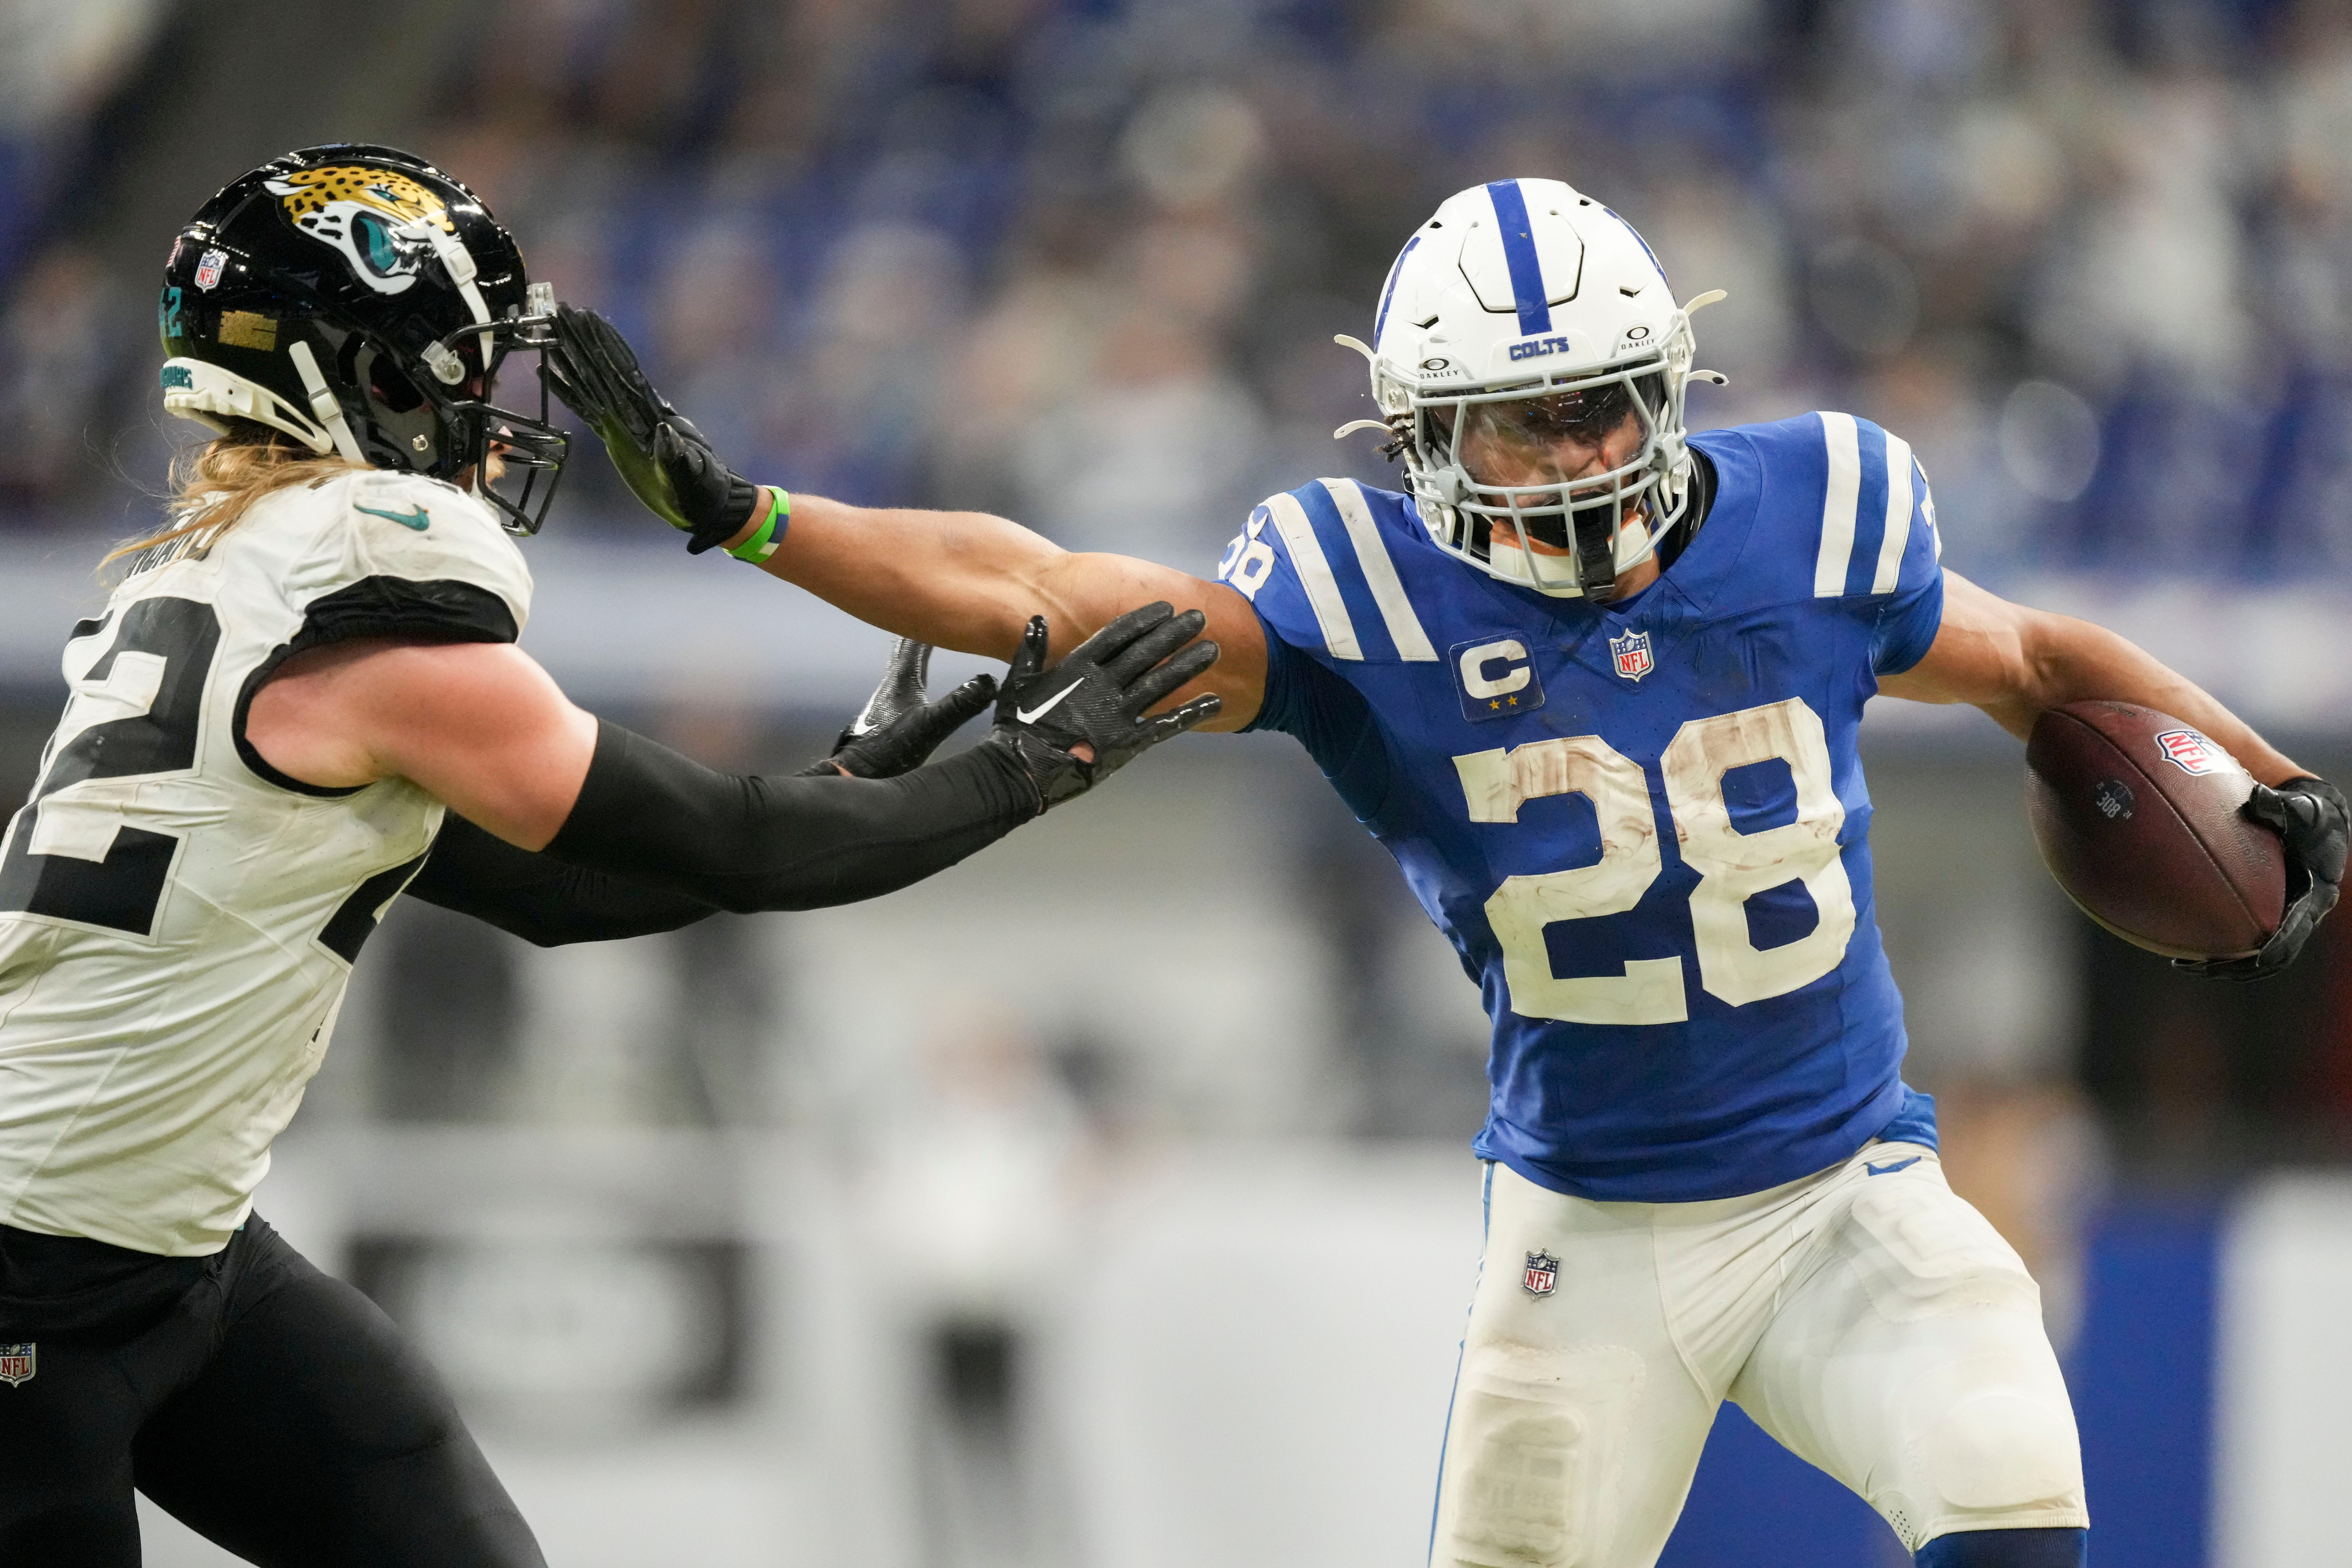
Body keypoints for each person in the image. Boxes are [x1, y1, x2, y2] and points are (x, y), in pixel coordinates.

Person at [553, 176, 2349, 1568]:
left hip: (1846, 1198)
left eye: (1596, 412)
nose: (1570, 462)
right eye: (1517, 422)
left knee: (2018, 1497)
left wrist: (2271, 783)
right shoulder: (1355, 603)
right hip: (1590, 1243)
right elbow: (1033, 584)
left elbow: (2041, 664)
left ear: (1667, 394)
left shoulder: (1815, 522)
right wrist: (751, 519)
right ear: (1420, 434)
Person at [0, 144, 1219, 1567]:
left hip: (170, 1255)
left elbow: (563, 901)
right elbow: (750, 853)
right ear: (362, 372)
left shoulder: (234, 581)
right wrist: (1038, 763)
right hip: (35, 1284)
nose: (488, 410)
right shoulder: (370, 626)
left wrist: (838, 784)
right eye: (454, 367)